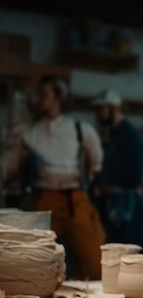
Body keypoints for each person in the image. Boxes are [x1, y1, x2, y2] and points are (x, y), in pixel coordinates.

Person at [3, 74, 105, 281]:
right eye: (37, 94)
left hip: (75, 198)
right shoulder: (29, 133)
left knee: (96, 260)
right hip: (44, 200)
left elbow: (97, 166)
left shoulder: (81, 130)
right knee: (37, 260)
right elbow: (8, 167)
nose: (39, 98)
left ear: (58, 97)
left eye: (44, 93)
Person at [90, 89, 143, 252]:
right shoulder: (114, 135)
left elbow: (134, 175)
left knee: (132, 255)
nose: (97, 114)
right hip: (113, 205)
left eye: (100, 109)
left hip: (127, 207)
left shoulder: (130, 136)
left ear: (114, 108)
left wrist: (110, 185)